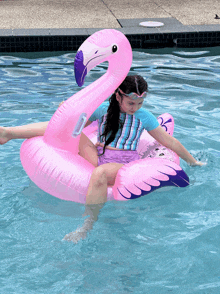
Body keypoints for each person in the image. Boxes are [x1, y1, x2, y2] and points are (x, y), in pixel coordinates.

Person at [0, 75, 205, 243]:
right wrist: (67, 112)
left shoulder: (144, 117)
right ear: (118, 97)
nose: (135, 107)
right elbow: (73, 126)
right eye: (131, 103)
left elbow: (169, 142)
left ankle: (86, 226)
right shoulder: (103, 110)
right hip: (98, 156)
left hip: (123, 165)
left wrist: (192, 161)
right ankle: (8, 133)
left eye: (139, 103)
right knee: (67, 129)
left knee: (99, 174)